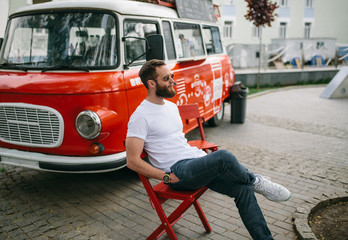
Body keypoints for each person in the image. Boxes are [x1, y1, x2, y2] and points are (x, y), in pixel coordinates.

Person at [126, 59, 291, 240]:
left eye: (172, 75)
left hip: (194, 162)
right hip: (178, 172)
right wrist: (165, 177)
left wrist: (201, 158)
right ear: (151, 83)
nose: (173, 80)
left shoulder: (171, 107)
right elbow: (132, 161)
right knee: (223, 157)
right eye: (167, 78)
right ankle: (257, 181)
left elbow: (175, 142)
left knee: (244, 190)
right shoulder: (140, 116)